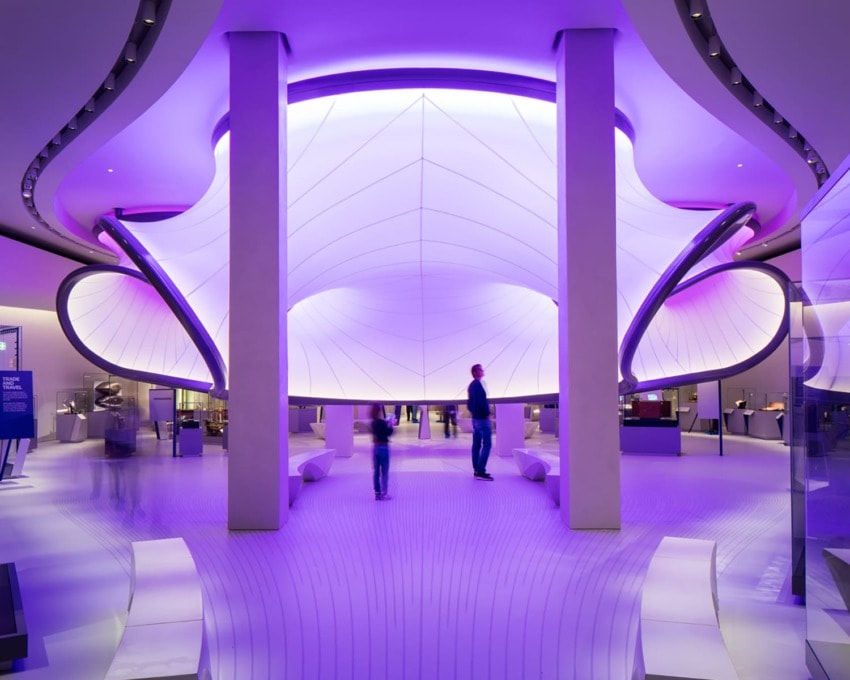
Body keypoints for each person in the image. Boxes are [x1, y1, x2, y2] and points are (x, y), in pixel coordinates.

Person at [467, 364, 493, 480]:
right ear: (475, 373)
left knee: (476, 444)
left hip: (475, 418)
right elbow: (481, 402)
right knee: (487, 444)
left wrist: (474, 413)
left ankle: (476, 469)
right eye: (480, 370)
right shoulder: (478, 385)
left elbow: (469, 404)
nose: (483, 371)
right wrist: (487, 413)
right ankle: (480, 470)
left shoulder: (471, 385)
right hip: (482, 419)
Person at [370, 403, 393, 500]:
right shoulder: (382, 422)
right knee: (384, 472)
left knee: (376, 472)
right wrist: (391, 424)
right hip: (384, 448)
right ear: (379, 411)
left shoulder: (373, 423)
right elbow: (388, 433)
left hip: (375, 448)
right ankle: (384, 493)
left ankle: (377, 493)